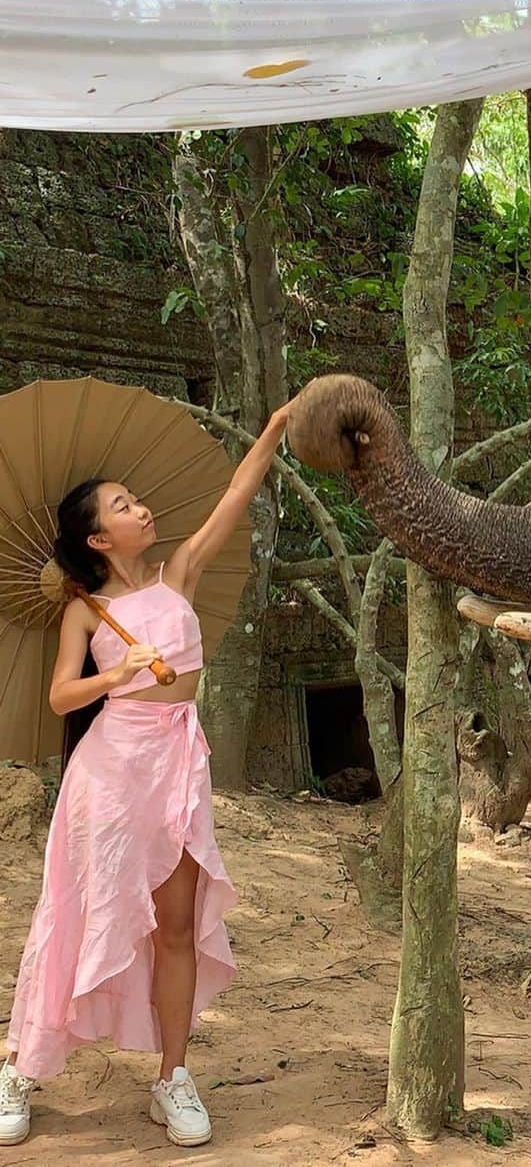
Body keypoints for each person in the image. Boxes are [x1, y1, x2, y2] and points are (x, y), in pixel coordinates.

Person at [0, 401, 292, 1148]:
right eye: (124, 505)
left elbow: (235, 496)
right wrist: (118, 673)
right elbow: (64, 694)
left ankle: (172, 1077)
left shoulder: (179, 573)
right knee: (75, 912)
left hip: (177, 767)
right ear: (98, 538)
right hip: (111, 772)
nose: (142, 507)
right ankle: (18, 1068)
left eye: (136, 497)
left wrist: (277, 427)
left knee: (178, 928)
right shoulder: (85, 612)